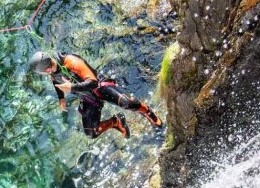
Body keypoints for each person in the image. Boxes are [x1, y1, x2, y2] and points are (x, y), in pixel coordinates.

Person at [28, 51, 163, 139]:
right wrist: (61, 98)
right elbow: (55, 82)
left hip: (99, 86)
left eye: (43, 73)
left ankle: (147, 111)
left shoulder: (71, 61)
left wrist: (71, 87)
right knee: (91, 133)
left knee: (127, 103)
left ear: (47, 68)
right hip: (87, 97)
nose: (46, 75)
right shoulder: (52, 72)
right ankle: (116, 122)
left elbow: (92, 82)